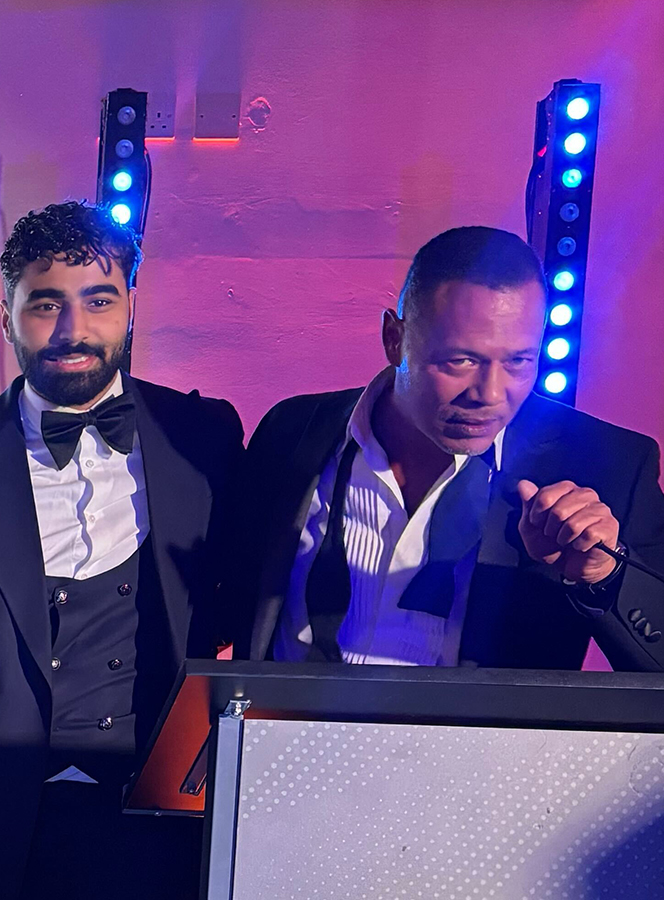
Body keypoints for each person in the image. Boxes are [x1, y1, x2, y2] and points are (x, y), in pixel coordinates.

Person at [0, 201, 245, 898]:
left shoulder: (203, 436)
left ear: (131, 308)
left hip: (167, 829)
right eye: (46, 304)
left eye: (99, 301)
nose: (73, 330)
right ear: (7, 317)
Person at [230, 225, 664, 671]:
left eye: (518, 361)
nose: (489, 394)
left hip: (484, 722)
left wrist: (603, 575)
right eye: (461, 360)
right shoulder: (293, 432)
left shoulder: (608, 464)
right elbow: (224, 602)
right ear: (394, 340)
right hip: (281, 716)